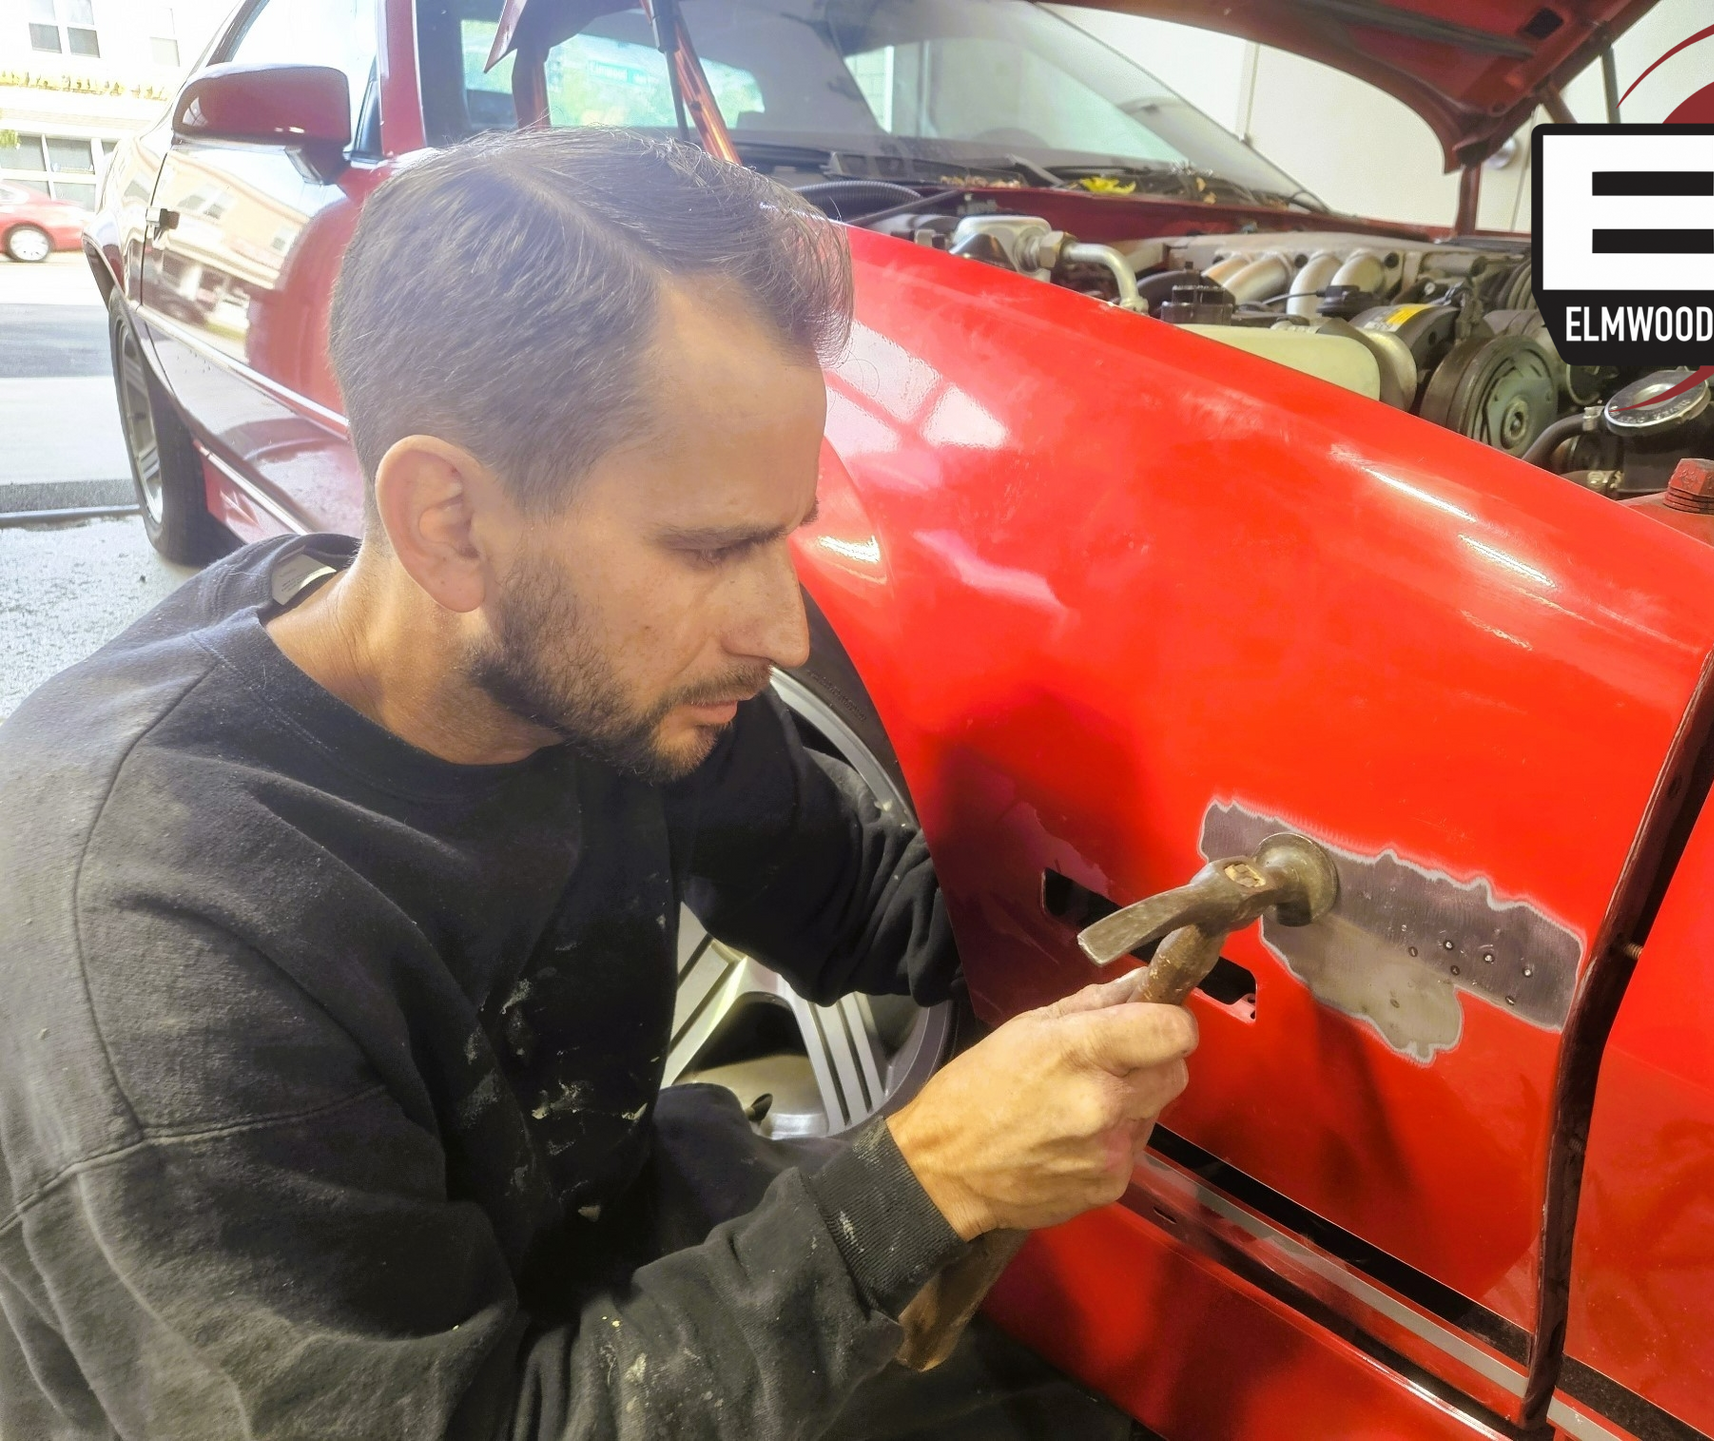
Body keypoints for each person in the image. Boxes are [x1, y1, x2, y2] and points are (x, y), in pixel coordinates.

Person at [0, 127, 1197, 1438]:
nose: (782, 632)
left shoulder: (588, 678)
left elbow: (867, 898)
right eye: (707, 547)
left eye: (780, 536)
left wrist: (1114, 953)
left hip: (580, 1234)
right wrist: (925, 1183)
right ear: (451, 522)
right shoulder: (164, 945)